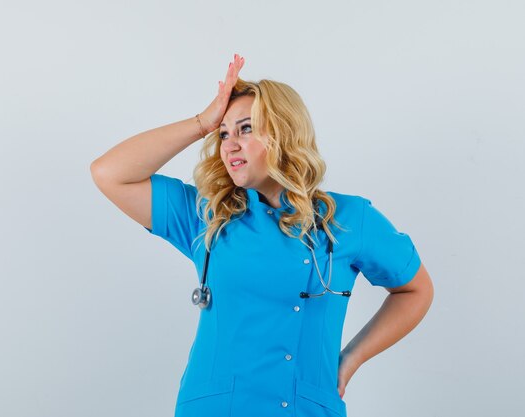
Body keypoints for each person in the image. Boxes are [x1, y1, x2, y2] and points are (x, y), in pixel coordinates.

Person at [90, 53, 434, 417]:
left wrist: (350, 359)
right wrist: (201, 123)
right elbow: (110, 173)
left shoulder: (349, 219)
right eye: (223, 133)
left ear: (284, 133)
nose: (229, 144)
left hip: (305, 408)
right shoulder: (207, 215)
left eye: (245, 129)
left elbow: (415, 290)